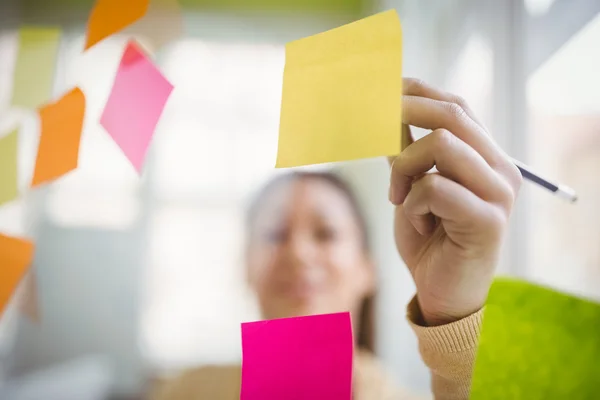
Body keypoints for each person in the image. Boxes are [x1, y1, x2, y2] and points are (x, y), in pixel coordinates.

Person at [153, 78, 522, 399]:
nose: (298, 253)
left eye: (326, 234)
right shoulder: (182, 393)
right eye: (275, 234)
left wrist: (455, 318)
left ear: (368, 270)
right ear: (245, 265)